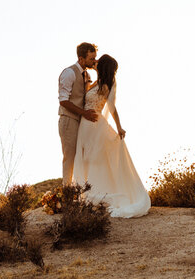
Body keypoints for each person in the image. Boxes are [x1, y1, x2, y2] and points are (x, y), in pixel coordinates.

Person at [72, 54, 150, 218]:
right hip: (85, 125)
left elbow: (112, 108)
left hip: (95, 125)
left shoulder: (107, 84)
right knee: (85, 158)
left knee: (94, 160)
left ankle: (95, 194)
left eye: (99, 61)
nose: (96, 61)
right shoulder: (95, 81)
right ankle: (86, 194)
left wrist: (119, 127)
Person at [58, 42, 99, 185]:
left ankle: (81, 190)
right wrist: (84, 113)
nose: (94, 61)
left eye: (95, 58)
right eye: (91, 59)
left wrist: (97, 70)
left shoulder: (86, 74)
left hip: (81, 121)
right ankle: (67, 191)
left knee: (83, 157)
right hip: (68, 120)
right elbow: (63, 101)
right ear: (81, 59)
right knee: (69, 157)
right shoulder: (69, 73)